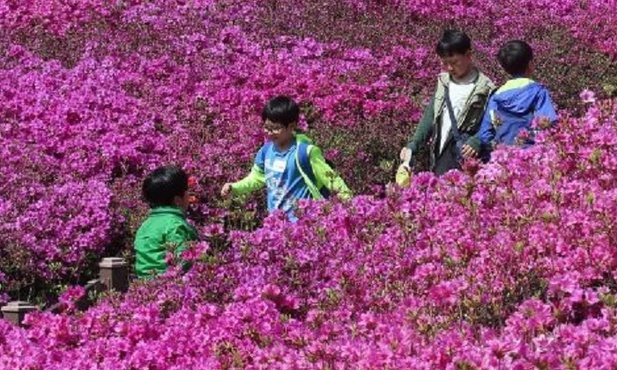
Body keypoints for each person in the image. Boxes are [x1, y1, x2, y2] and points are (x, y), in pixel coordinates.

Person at [221, 96, 351, 221]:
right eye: (267, 127)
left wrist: (349, 204)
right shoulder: (265, 151)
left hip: (303, 222)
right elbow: (256, 178)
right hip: (276, 222)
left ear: (292, 126)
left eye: (276, 128)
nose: (270, 132)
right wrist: (235, 188)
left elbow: (331, 179)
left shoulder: (305, 152)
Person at [400, 30, 495, 176]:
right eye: (445, 63)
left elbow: (492, 123)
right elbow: (429, 117)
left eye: (454, 62)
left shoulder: (485, 89)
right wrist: (413, 145)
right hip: (441, 154)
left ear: (469, 55)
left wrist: (477, 140)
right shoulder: (444, 83)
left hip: (466, 159)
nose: (450, 68)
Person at [464, 40, 558, 157]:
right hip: (533, 159)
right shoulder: (538, 92)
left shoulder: (495, 97)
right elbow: (549, 124)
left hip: (505, 160)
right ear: (530, 64)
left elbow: (485, 134)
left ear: (504, 68)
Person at [134, 165, 198, 278]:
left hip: (144, 287)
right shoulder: (174, 225)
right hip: (170, 287)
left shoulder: (145, 225)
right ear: (178, 200)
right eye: (187, 191)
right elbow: (183, 262)